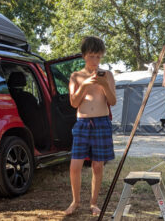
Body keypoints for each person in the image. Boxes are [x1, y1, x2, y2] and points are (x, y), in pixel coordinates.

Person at [64, 36, 116, 216]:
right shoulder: (76, 76)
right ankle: (75, 202)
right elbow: (73, 102)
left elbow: (113, 101)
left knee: (98, 166)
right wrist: (84, 85)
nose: (95, 61)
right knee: (75, 165)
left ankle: (93, 203)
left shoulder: (107, 75)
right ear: (84, 55)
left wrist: (103, 85)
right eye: (92, 56)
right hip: (83, 122)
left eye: (99, 57)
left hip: (102, 122)